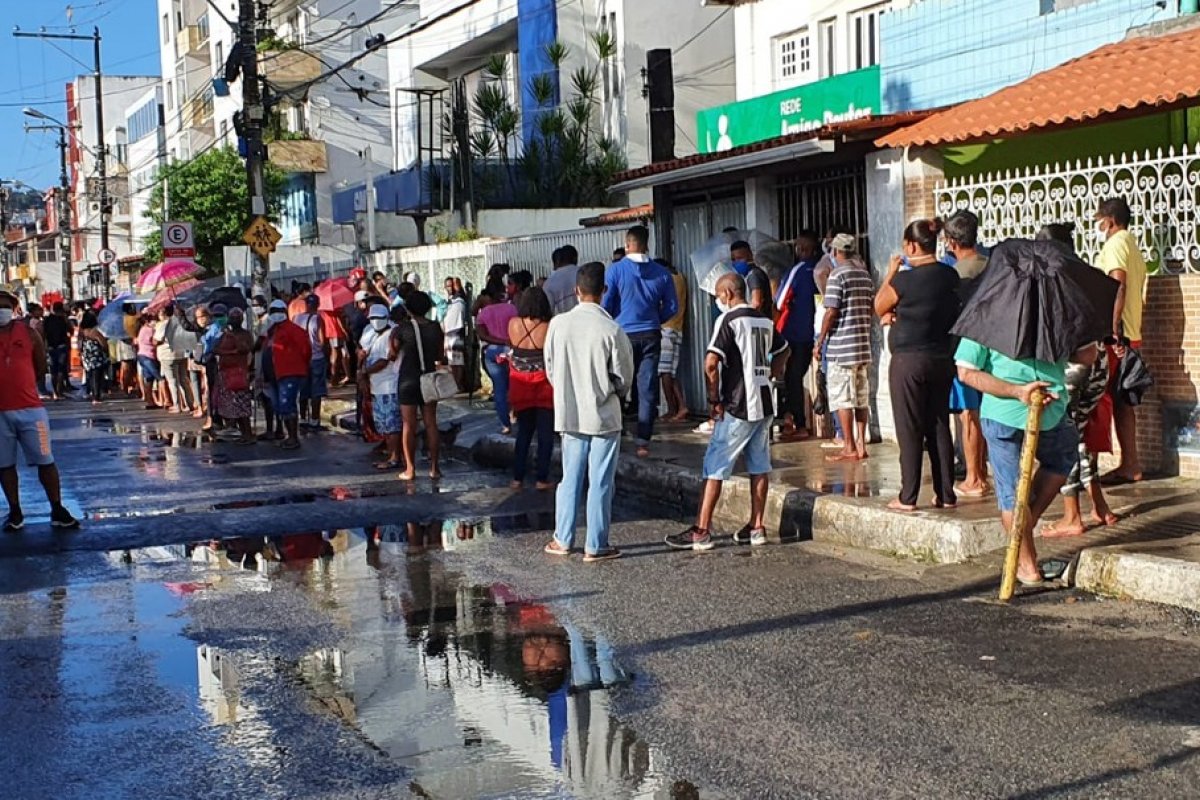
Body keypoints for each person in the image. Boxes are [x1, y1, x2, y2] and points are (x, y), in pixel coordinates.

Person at [956, 335, 1097, 586]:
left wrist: (1017, 389)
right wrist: (1017, 391)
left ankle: (1024, 549)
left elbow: (966, 371)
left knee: (1015, 492)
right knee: (1017, 492)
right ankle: (1027, 559)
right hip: (1015, 412)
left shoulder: (991, 307)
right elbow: (1087, 355)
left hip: (1032, 411)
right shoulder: (1055, 306)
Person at [667, 273, 790, 551]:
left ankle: (701, 530)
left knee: (715, 466)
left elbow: (711, 363)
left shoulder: (728, 320)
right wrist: (772, 373)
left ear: (727, 294)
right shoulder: (764, 319)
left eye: (717, 296)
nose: (717, 300)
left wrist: (714, 400)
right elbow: (784, 350)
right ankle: (757, 526)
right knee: (759, 466)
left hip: (737, 404)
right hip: (764, 403)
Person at [543, 262, 634, 561]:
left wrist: (568, 390)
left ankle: (563, 539)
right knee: (601, 481)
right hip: (604, 414)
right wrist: (613, 393)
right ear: (604, 291)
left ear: (576, 291)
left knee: (570, 478)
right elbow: (623, 376)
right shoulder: (612, 328)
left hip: (570, 413)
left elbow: (551, 369)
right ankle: (596, 545)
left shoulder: (558, 325)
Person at [1035, 223, 1119, 538]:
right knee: (1081, 436)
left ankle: (1072, 515)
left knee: (1065, 437)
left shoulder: (1050, 279)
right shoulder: (1087, 273)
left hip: (1070, 365)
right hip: (1098, 362)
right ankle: (1099, 504)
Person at [876, 219, 961, 510]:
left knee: (909, 427)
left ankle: (908, 495)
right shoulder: (950, 276)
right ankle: (946, 493)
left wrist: (890, 274)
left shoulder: (904, 280)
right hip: (941, 357)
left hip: (908, 361)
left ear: (911, 246)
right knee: (939, 424)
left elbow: (879, 305)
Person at [0, 289, 80, 532]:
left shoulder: (29, 332)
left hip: (31, 410)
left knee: (46, 460)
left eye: (4, 305)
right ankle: (15, 511)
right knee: (4, 465)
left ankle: (57, 508)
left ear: (13, 308)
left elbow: (39, 365)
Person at [602, 225, 678, 457]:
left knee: (618, 383)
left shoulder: (615, 270)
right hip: (651, 334)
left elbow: (606, 304)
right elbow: (672, 307)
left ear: (627, 244)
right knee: (647, 388)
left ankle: (618, 429)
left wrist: (616, 319)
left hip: (623, 334)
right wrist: (655, 318)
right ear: (647, 244)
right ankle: (643, 441)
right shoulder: (663, 273)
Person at [1094, 197, 1148, 484]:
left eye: (1099, 220)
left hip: (1118, 336)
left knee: (1106, 398)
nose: (1098, 226)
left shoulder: (1115, 244)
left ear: (1110, 220)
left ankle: (1125, 463)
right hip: (1131, 334)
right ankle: (1131, 463)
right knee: (1123, 401)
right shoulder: (1132, 244)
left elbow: (1118, 283)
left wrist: (1113, 329)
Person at [817, 232, 876, 463]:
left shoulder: (837, 275)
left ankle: (849, 446)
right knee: (861, 398)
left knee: (842, 398)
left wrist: (820, 340)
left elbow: (831, 311)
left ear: (836, 252)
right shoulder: (865, 275)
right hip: (862, 346)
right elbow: (871, 307)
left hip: (841, 348)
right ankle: (861, 443)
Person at [943, 210, 990, 497]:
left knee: (968, 414)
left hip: (966, 350)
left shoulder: (954, 276)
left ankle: (974, 477)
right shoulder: (992, 265)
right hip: (995, 348)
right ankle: (981, 470)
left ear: (951, 242)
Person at [393, 291, 445, 481]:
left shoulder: (403, 328)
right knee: (431, 422)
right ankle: (434, 468)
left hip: (407, 379)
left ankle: (410, 469)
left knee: (408, 424)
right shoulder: (435, 327)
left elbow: (393, 353)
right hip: (429, 378)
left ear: (409, 308)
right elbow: (440, 355)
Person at [507, 286, 556, 490]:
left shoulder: (513, 324)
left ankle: (517, 478)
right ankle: (541, 479)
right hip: (544, 383)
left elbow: (512, 348)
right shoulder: (549, 326)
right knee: (545, 434)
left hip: (519, 382)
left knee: (524, 433)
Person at [775, 230, 821, 440]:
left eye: (800, 246)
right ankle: (794, 419)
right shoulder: (823, 269)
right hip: (817, 332)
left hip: (796, 333)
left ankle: (797, 423)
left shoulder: (799, 270)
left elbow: (779, 300)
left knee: (791, 378)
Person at [477, 271, 528, 434]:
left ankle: (505, 424)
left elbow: (481, 333)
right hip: (511, 349)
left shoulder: (484, 313)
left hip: (492, 351)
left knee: (499, 388)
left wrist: (496, 340)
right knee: (516, 385)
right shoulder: (511, 308)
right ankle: (516, 416)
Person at [263, 299, 311, 450]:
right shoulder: (271, 331)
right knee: (280, 406)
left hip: (290, 373)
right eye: (273, 311)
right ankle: (288, 435)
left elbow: (306, 350)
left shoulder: (293, 330)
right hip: (274, 375)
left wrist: (299, 365)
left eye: (279, 311)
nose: (276, 314)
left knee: (287, 404)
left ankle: (293, 437)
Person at [358, 304, 402, 468]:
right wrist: (361, 372)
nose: (376, 322)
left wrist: (365, 372)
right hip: (375, 386)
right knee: (383, 425)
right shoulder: (368, 331)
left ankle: (394, 458)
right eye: (373, 318)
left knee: (392, 426)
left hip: (389, 385)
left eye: (379, 318)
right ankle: (392, 454)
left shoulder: (393, 332)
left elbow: (385, 360)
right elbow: (362, 351)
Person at [213, 308, 256, 444]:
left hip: (239, 373)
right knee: (232, 406)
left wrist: (233, 345)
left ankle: (248, 434)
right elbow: (215, 349)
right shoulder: (225, 335)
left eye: (237, 318)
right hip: (226, 373)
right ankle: (243, 433)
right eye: (233, 318)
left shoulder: (245, 334)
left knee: (242, 406)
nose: (235, 321)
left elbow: (246, 348)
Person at [658, 257, 689, 423]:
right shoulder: (680, 278)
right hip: (678, 328)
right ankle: (682, 406)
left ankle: (672, 409)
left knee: (664, 372)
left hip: (666, 329)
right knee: (671, 372)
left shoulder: (666, 281)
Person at [293, 293, 330, 429]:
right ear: (318, 305)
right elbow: (322, 341)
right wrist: (327, 354)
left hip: (301, 359)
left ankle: (302, 418)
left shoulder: (296, 318)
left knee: (303, 390)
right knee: (316, 392)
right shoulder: (317, 319)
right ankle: (315, 420)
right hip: (316, 358)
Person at [154, 304, 193, 413]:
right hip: (181, 353)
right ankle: (190, 404)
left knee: (173, 381)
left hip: (167, 354)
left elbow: (157, 340)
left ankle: (177, 405)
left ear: (163, 312)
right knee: (184, 380)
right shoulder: (180, 323)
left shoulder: (163, 325)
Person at [730, 240, 772, 316]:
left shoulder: (753, 274)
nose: (736, 262)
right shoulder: (747, 275)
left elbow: (756, 303)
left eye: (739, 258)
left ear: (750, 256)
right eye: (733, 259)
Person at [442, 277, 468, 391]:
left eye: (451, 285)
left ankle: (458, 384)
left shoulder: (459, 299)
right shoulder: (448, 301)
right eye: (447, 286)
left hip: (456, 334)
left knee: (458, 361)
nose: (450, 288)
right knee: (452, 362)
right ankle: (455, 385)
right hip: (448, 335)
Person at [79, 311, 110, 405]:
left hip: (87, 356)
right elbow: (103, 343)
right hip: (96, 356)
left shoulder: (83, 331)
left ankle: (92, 393)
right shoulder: (95, 332)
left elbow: (80, 344)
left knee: (90, 375)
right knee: (97, 376)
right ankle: (96, 396)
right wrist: (106, 351)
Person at [43, 302, 72, 399]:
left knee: (53, 371)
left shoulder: (46, 320)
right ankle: (59, 391)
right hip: (61, 346)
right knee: (60, 370)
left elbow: (44, 334)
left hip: (51, 347)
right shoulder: (62, 319)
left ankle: (55, 392)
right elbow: (70, 331)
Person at [136, 314, 164, 409]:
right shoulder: (150, 330)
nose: (155, 322)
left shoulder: (142, 329)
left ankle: (150, 401)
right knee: (160, 378)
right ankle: (164, 400)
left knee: (149, 380)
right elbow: (154, 342)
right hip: (149, 357)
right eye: (154, 320)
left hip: (142, 356)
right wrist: (162, 342)